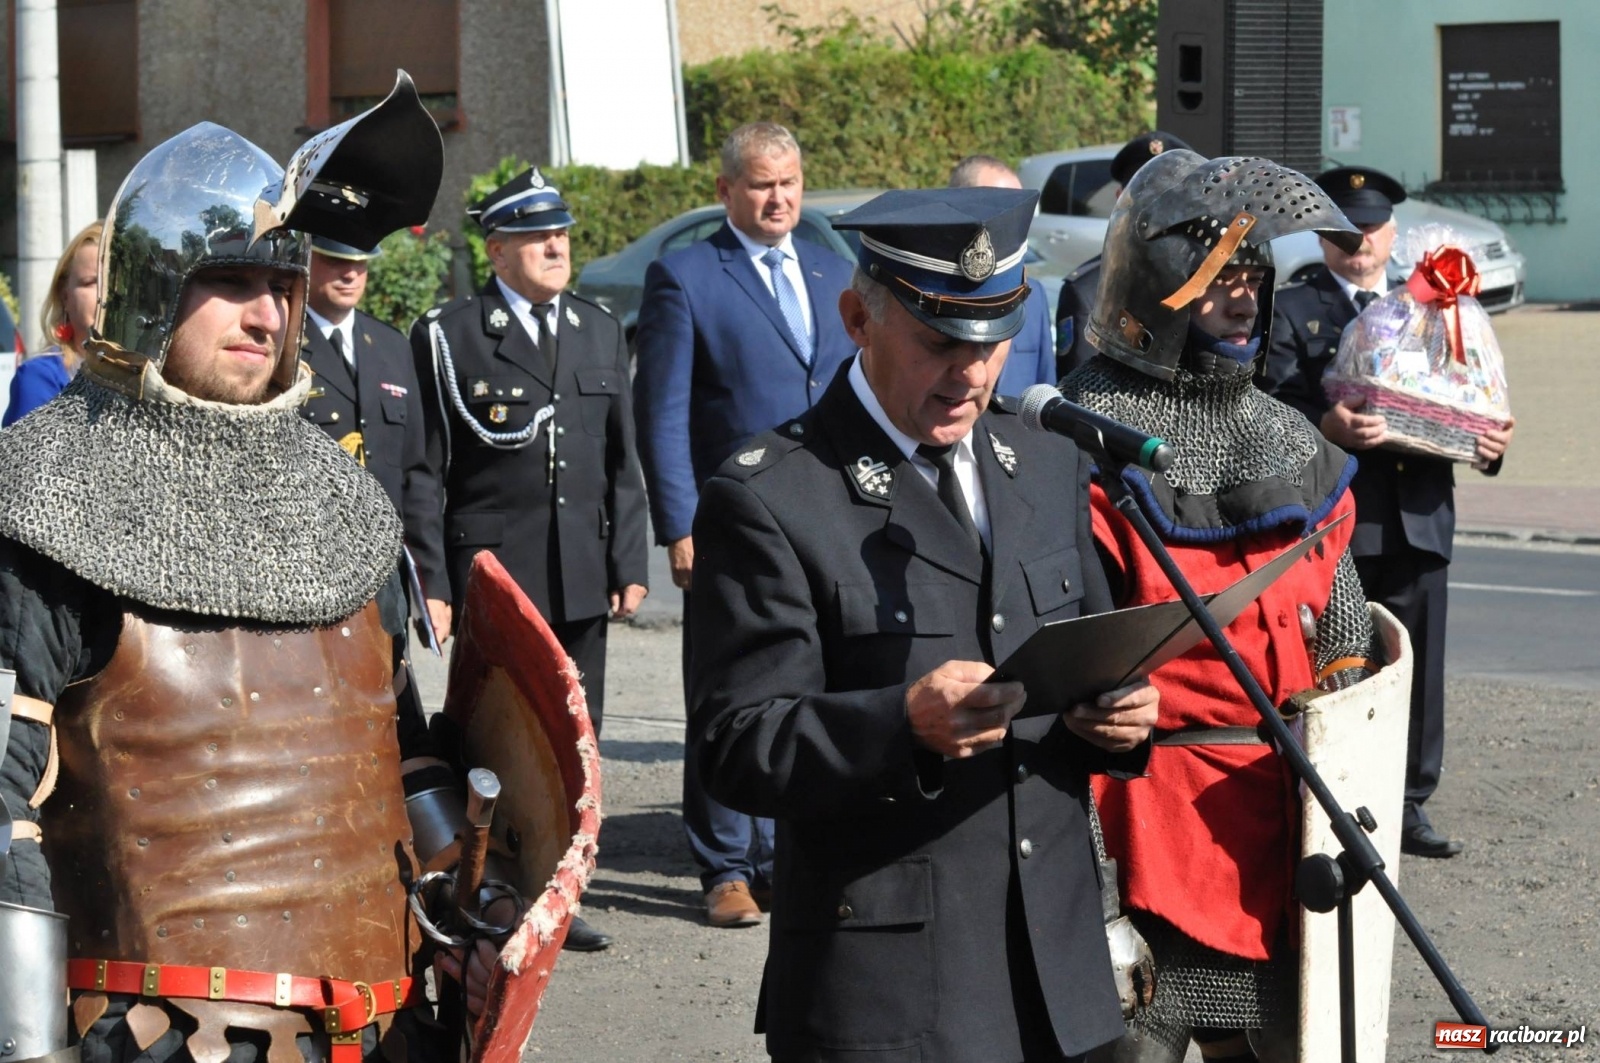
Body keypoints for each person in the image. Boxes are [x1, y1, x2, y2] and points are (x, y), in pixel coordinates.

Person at [0, 103, 506, 1058]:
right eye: (229, 282)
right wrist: (28, 1043)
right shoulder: (43, 496)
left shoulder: (342, 500)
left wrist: (473, 890)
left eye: (282, 284)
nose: (268, 314)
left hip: (381, 1028)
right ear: (152, 289)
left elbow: (396, 750)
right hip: (145, 1033)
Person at [689, 186, 1160, 1063]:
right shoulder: (772, 494)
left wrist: (1122, 717)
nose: (973, 372)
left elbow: (1091, 657)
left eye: (993, 340)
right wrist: (899, 723)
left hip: (1062, 979)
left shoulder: (1048, 466)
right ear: (858, 319)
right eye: (941, 341)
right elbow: (735, 743)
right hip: (891, 993)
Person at [1059, 150, 1380, 1063]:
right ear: (1158, 292)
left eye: (1251, 278)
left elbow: (1345, 633)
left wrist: (1349, 735)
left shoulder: (1289, 438)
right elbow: (1067, 649)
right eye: (1216, 281)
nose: (1242, 300)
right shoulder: (1084, 436)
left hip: (1285, 819)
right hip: (1144, 821)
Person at [413, 168, 649, 951]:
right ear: (498, 248)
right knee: (498, 743)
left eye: (564, 233)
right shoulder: (452, 335)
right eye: (539, 236)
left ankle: (559, 898)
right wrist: (438, 585)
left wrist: (627, 560)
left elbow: (622, 463)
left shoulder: (599, 328)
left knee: (576, 741)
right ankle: (486, 889)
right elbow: (429, 471)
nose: (557, 246)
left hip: (580, 571)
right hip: (498, 578)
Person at [633, 121, 855, 928]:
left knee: (816, 679)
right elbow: (659, 410)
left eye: (790, 182)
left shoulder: (836, 270)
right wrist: (679, 521)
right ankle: (726, 863)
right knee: (730, 686)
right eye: (762, 184)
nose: (779, 198)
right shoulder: (686, 276)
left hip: (826, 514)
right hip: (729, 521)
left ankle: (788, 851)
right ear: (726, 190)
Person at [1263, 165, 1514, 859]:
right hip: (1339, 520)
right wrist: (1328, 425)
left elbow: (1471, 392)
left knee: (1418, 666)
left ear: (1392, 233)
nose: (1359, 244)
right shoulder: (1292, 308)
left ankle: (1410, 804)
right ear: (1323, 236)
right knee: (1334, 665)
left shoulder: (1435, 304)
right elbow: (1271, 405)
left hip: (1420, 513)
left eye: (1371, 230)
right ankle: (1331, 801)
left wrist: (1489, 442)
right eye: (1344, 232)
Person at [1055, 132, 1190, 379]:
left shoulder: (1214, 281)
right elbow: (1080, 401)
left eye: (1170, 194)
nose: (1158, 205)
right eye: (1145, 193)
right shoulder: (1088, 291)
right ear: (1121, 199)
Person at [947, 154, 1054, 395]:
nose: (1012, 220)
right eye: (1001, 207)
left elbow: (1045, 388)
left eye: (1019, 209)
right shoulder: (935, 294)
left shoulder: (1032, 295)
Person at [3, 218, 100, 426]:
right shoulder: (39, 379)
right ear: (65, 296)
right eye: (91, 282)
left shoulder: (162, 375)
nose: (106, 294)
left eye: (117, 280)